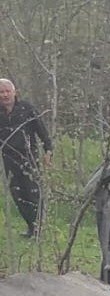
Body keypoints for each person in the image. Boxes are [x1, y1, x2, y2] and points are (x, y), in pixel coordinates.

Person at [0, 78, 52, 237]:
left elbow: (41, 130)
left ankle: (39, 228)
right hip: (8, 159)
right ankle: (31, 227)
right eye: (1, 92)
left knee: (33, 192)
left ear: (14, 92)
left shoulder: (26, 108)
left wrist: (48, 150)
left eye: (7, 91)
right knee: (18, 195)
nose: (4, 95)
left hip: (29, 157)